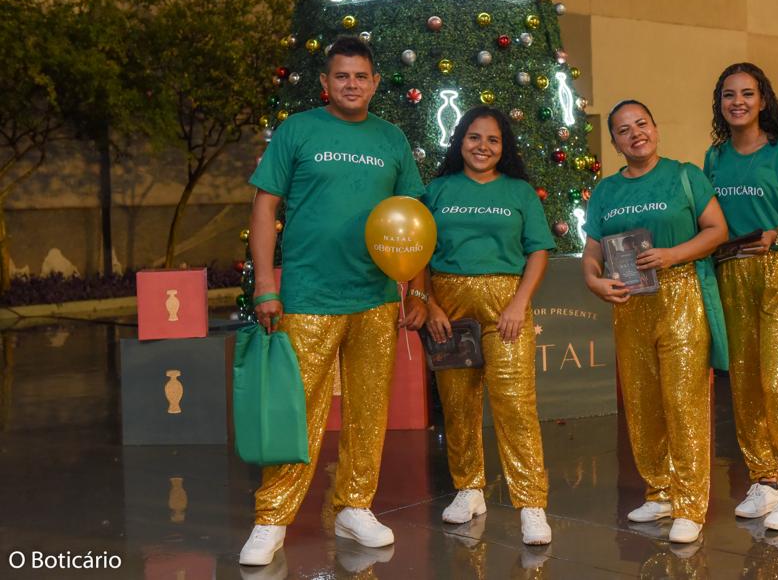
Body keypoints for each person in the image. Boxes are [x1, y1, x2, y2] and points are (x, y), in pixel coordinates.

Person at [239, 37, 428, 566]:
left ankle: (354, 506)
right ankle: (272, 517)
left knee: (369, 408)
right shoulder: (298, 130)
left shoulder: (391, 138)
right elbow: (265, 206)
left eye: (361, 76)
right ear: (325, 83)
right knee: (297, 409)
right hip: (308, 295)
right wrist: (265, 285)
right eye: (341, 76)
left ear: (375, 83)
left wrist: (416, 288)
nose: (351, 84)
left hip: (375, 296)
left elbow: (414, 219)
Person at [581, 100, 727, 544]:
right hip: (630, 302)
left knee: (684, 402)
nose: (635, 134)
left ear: (655, 128)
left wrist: (672, 255)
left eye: (641, 124)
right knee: (642, 402)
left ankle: (690, 503)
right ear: (614, 142)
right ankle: (659, 491)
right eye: (624, 130)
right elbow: (593, 251)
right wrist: (593, 281)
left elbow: (716, 230)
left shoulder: (684, 175)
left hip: (680, 295)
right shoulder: (606, 191)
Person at [417, 106, 554, 546]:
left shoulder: (519, 192)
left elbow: (538, 251)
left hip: (505, 308)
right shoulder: (436, 190)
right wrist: (430, 305)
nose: (483, 146)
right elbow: (417, 253)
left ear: (503, 146)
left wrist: (519, 303)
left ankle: (531, 504)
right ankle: (469, 489)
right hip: (449, 309)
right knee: (457, 405)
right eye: (474, 137)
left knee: (515, 405)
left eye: (493, 140)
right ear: (460, 141)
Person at [703, 62, 778, 532]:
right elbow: (709, 219)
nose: (738, 102)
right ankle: (764, 479)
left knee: (777, 380)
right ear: (720, 104)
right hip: (732, 272)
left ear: (763, 100)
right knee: (745, 381)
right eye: (729, 95)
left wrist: (776, 234)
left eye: (747, 94)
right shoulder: (715, 157)